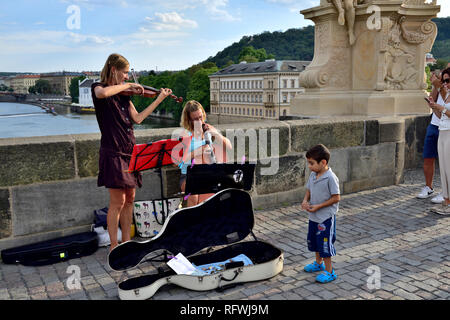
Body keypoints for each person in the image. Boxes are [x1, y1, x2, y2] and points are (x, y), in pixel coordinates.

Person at [92, 53, 172, 251]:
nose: (128, 77)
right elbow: (102, 94)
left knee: (130, 200)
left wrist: (159, 99)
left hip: (130, 151)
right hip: (113, 152)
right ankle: (113, 246)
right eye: (125, 73)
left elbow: (138, 119)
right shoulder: (99, 88)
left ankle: (127, 243)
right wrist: (127, 86)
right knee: (117, 201)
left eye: (128, 74)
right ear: (114, 70)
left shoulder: (125, 99)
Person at [177, 100, 232, 207]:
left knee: (227, 187)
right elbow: (180, 161)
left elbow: (229, 146)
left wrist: (216, 134)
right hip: (189, 175)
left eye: (201, 117)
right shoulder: (185, 133)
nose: (200, 121)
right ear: (189, 120)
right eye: (195, 119)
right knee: (194, 195)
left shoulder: (208, 128)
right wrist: (199, 151)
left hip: (208, 172)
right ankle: (193, 222)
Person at [302, 144, 340, 283]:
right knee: (315, 241)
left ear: (323, 162)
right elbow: (309, 190)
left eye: (311, 163)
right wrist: (305, 200)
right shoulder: (313, 175)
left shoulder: (331, 178)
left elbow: (336, 197)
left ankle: (330, 272)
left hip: (325, 218)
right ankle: (318, 263)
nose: (309, 166)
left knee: (325, 244)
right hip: (314, 217)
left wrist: (319, 206)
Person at [416, 71, 445, 204]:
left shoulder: (446, 87)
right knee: (428, 157)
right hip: (434, 125)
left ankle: (446, 192)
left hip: (446, 128)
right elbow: (433, 99)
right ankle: (429, 187)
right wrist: (434, 87)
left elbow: (445, 101)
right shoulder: (440, 85)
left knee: (445, 163)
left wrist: (439, 86)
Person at [428, 67, 450, 215]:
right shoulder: (447, 95)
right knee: (443, 168)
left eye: (447, 80)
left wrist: (441, 108)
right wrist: (433, 106)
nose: (445, 84)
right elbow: (441, 114)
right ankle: (446, 200)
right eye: (443, 81)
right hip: (442, 131)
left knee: (449, 168)